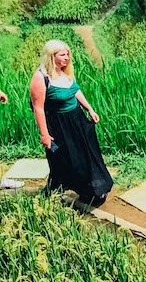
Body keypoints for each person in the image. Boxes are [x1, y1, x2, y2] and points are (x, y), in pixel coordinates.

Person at [30, 40, 113, 205]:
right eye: (63, 55)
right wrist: (45, 135)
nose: (67, 57)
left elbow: (75, 90)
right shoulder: (40, 78)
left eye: (68, 54)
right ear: (51, 56)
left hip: (77, 119)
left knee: (87, 154)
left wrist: (90, 109)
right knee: (66, 159)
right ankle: (59, 191)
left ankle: (91, 190)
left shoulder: (64, 71)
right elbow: (38, 108)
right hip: (59, 125)